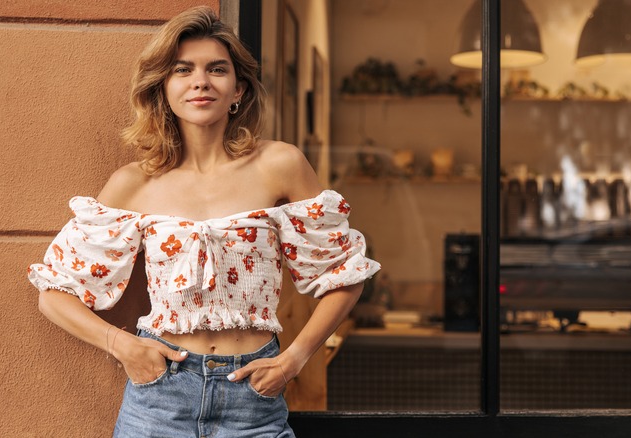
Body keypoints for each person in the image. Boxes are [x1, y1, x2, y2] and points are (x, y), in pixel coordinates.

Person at [27, 6, 380, 437]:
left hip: (253, 401)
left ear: (238, 89)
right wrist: (123, 346)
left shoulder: (280, 165)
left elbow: (345, 274)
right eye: (183, 70)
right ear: (164, 88)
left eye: (217, 69)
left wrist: (294, 359)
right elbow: (54, 295)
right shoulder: (133, 184)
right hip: (159, 402)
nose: (201, 81)